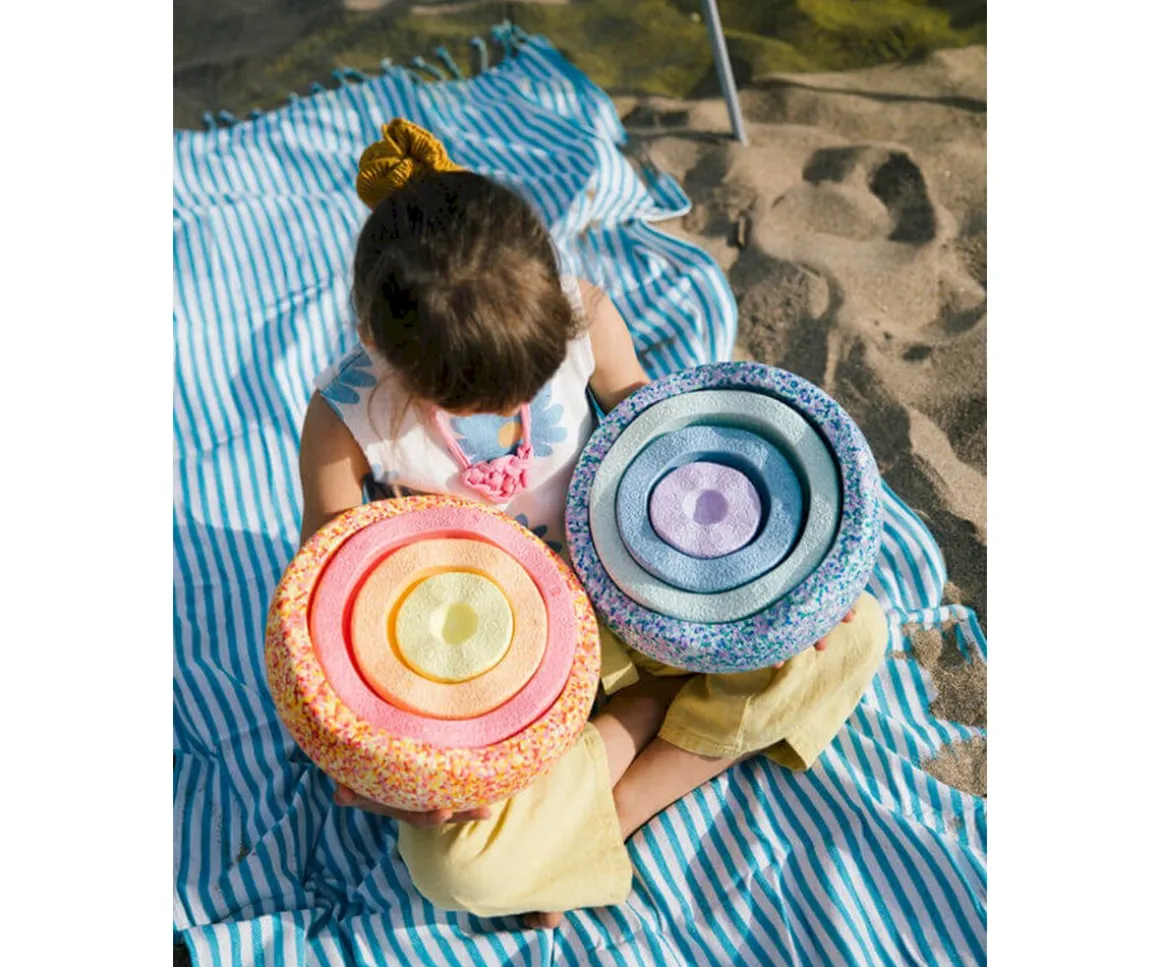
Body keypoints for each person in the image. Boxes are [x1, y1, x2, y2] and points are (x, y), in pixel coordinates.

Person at [297, 118, 887, 930]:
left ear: (551, 284)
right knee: (453, 863)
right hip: (493, 661)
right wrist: (384, 773)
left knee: (854, 629)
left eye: (531, 381)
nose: (515, 407)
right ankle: (657, 713)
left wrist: (791, 583)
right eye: (475, 402)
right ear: (375, 343)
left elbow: (666, 449)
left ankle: (620, 808)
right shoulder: (344, 419)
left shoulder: (584, 314)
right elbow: (329, 610)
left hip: (641, 591)